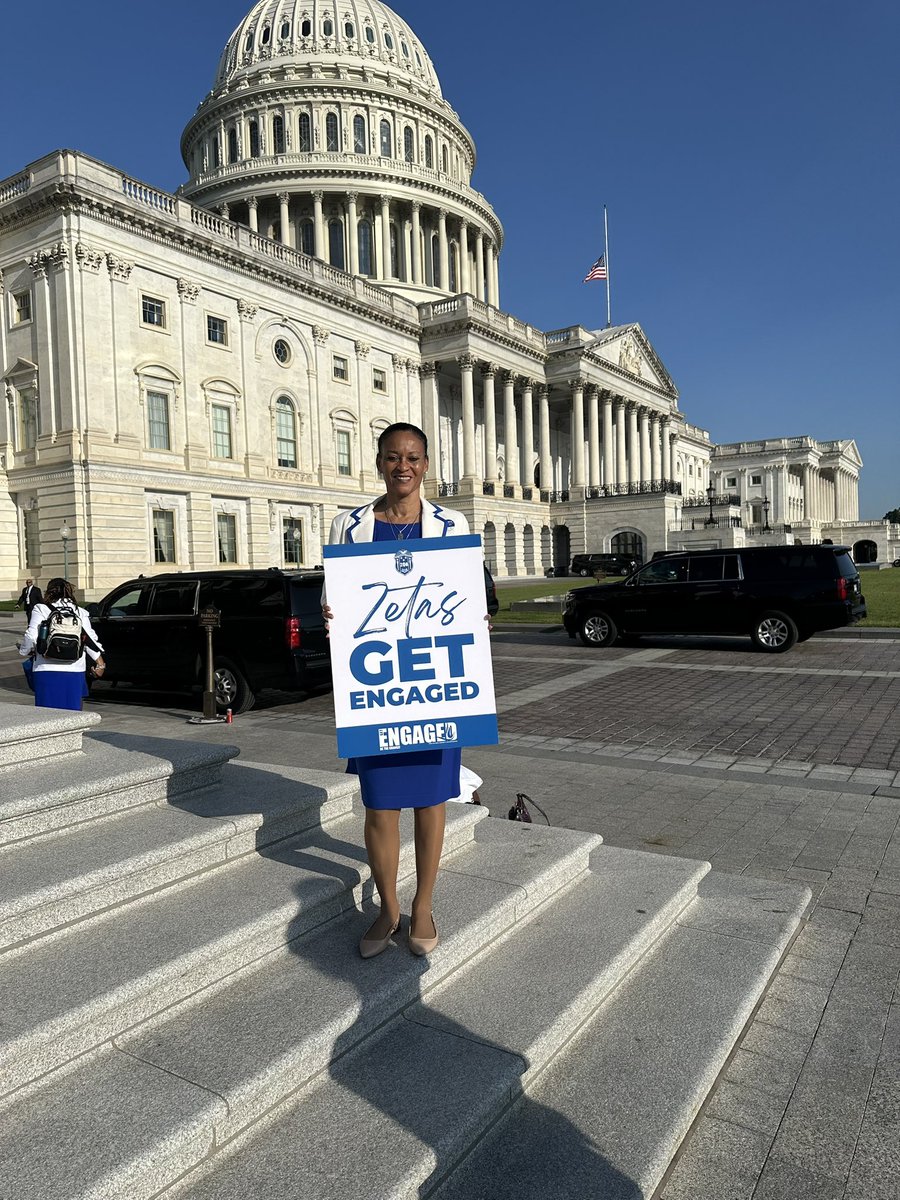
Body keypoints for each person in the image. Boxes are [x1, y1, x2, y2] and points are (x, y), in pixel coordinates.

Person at [325, 422, 475, 960]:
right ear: (380, 463)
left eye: (412, 457)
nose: (402, 466)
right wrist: (330, 613)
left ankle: (425, 904)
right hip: (381, 683)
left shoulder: (450, 523)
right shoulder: (351, 526)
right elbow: (335, 597)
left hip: (432, 683)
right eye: (392, 457)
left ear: (427, 464)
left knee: (432, 801)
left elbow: (467, 597)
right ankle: (389, 908)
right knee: (380, 805)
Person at [19, 577, 105, 711]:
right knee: (72, 716)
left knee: (45, 716)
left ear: (49, 592)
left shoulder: (41, 609)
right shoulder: (80, 612)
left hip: (45, 668)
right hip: (74, 669)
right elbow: (90, 640)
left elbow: (31, 636)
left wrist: (25, 650)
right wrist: (100, 664)